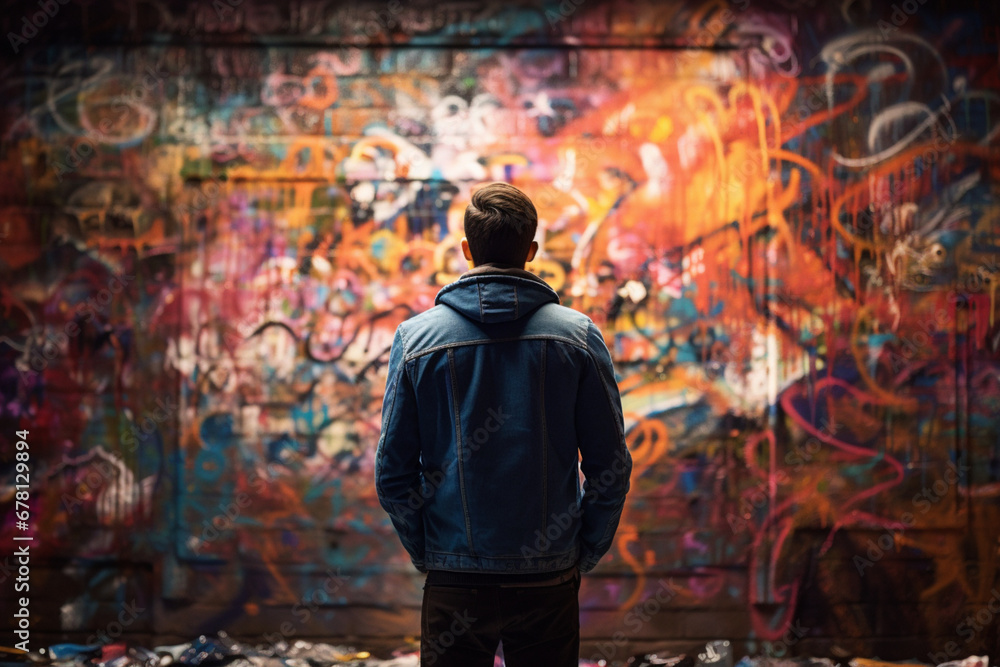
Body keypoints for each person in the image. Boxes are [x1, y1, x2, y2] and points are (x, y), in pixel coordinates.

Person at [375, 182, 632, 666]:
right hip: (548, 579)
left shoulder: (416, 339)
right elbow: (611, 468)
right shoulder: (576, 337)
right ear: (531, 251)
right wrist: (583, 552)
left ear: (467, 251)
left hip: (455, 577)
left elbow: (392, 475)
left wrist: (430, 553)